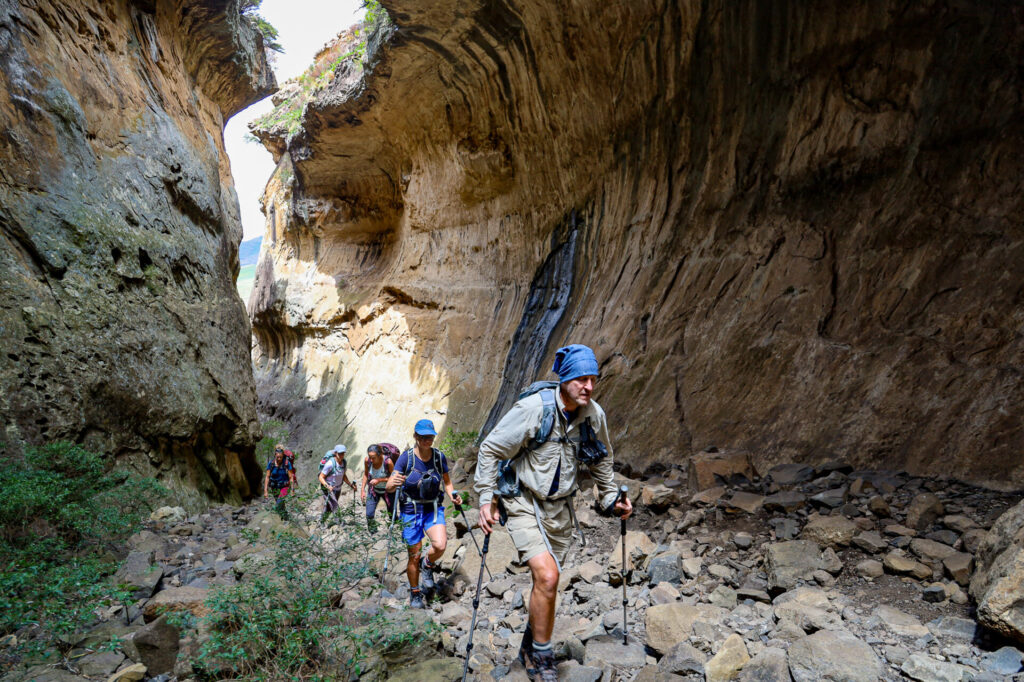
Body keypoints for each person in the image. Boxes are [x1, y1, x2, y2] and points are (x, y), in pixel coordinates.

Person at [475, 344, 632, 681]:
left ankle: (528, 651)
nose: (588, 386)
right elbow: (490, 448)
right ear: (565, 380)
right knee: (547, 576)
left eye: (593, 379)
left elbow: (602, 458)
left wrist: (610, 497)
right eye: (581, 379)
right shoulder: (534, 409)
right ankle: (544, 659)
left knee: (545, 584)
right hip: (523, 501)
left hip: (561, 509)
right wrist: (485, 498)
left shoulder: (594, 415)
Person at [385, 419, 463, 608]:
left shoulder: (438, 457)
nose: (427, 440)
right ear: (416, 437)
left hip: (432, 508)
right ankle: (415, 593)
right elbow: (388, 487)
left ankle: (427, 566)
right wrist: (393, 483)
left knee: (440, 545)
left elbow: (447, 481)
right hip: (410, 510)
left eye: (430, 436)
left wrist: (453, 494)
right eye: (423, 437)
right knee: (414, 555)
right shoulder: (406, 458)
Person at [361, 444, 396, 530]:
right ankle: (373, 533)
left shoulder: (388, 462)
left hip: (388, 491)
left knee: (392, 513)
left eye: (373, 457)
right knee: (369, 514)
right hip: (373, 490)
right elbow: (366, 474)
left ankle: (395, 532)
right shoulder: (367, 461)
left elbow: (394, 477)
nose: (371, 460)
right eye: (370, 457)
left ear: (380, 455)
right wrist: (362, 490)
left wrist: (379, 480)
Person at [319, 444, 356, 524]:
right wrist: (327, 486)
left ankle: (321, 522)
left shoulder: (343, 463)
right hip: (328, 489)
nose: (342, 455)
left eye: (343, 453)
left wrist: (350, 484)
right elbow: (321, 477)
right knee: (335, 505)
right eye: (340, 453)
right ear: (335, 453)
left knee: (329, 507)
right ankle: (339, 524)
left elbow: (343, 475)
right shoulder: (330, 464)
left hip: (338, 488)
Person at [264, 444, 296, 516]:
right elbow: (267, 477)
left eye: (280, 457)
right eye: (277, 457)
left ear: (283, 455)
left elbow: (291, 477)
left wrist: (292, 490)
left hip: (284, 486)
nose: (279, 458)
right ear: (275, 455)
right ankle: (285, 519)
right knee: (280, 505)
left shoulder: (287, 463)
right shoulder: (271, 464)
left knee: (279, 504)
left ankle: (285, 519)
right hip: (274, 487)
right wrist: (265, 490)